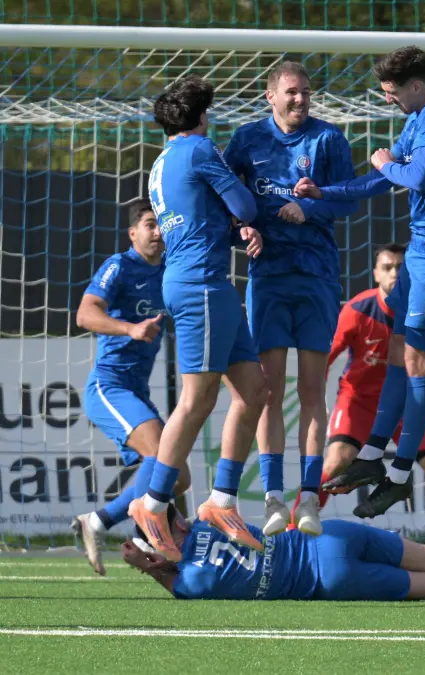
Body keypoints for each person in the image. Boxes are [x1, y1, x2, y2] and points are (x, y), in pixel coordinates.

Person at [294, 46, 425, 514]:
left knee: (419, 359)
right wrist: (324, 192)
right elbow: (385, 179)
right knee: (399, 350)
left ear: (416, 84)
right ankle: (372, 456)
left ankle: (398, 475)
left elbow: (414, 176)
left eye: (392, 92)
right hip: (422, 248)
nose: (388, 99)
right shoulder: (417, 117)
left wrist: (384, 165)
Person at [129, 75, 268, 561]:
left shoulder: (162, 162)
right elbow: (245, 205)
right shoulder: (199, 149)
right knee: (197, 398)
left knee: (254, 391)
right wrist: (245, 208)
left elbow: (198, 220)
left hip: (208, 284)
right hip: (200, 285)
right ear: (201, 117)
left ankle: (222, 500)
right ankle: (152, 504)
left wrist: (233, 231)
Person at [223, 61, 357, 537]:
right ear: (270, 96)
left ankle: (310, 499)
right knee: (270, 390)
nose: (300, 99)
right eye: (291, 92)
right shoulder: (246, 141)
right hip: (268, 279)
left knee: (313, 390)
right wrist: (243, 232)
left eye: (306, 92)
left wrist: (309, 207)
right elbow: (225, 202)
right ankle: (274, 498)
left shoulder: (329, 139)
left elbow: (348, 199)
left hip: (317, 278)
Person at [313, 244, 425, 545]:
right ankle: (291, 536)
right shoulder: (357, 309)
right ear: (375, 273)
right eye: (387, 267)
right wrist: (317, 401)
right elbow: (326, 356)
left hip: (406, 405)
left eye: (400, 267)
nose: (394, 273)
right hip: (359, 402)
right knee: (336, 463)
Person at [72, 199, 191, 575]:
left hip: (137, 391)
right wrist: (130, 328)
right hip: (109, 386)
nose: (157, 232)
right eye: (149, 224)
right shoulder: (120, 266)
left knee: (179, 476)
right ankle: (141, 532)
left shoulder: (171, 269)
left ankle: (99, 521)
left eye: (160, 225)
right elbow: (84, 313)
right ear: (133, 233)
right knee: (160, 454)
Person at [121, 505, 425, 603]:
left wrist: (149, 568)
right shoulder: (209, 518)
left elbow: (174, 580)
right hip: (329, 536)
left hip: (328, 579)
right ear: (179, 521)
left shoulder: (191, 581)